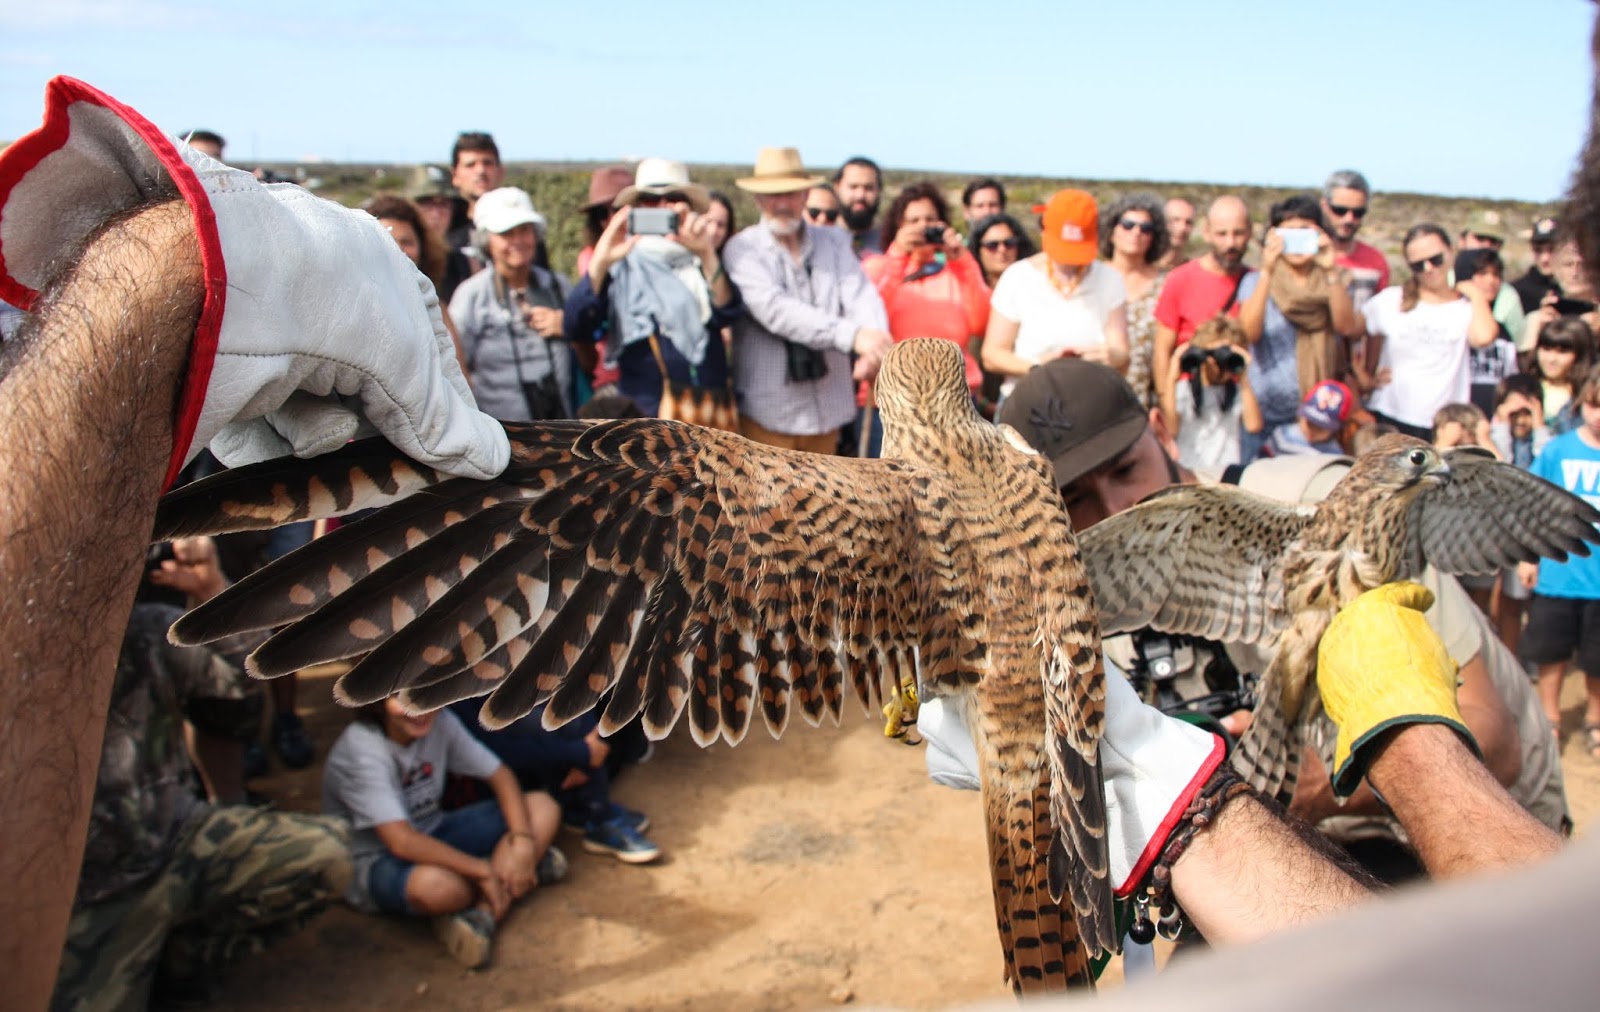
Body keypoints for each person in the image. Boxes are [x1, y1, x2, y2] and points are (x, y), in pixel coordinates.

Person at [0, 74, 1576, 1008]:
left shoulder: (970, 489)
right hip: (1095, 766)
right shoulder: (974, 472)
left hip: (1126, 771)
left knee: (628, 479)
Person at [992, 358, 1566, 863]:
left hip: (1481, 840)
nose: (1117, 505)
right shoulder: (1088, 594)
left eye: (1125, 470)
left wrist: (1321, 784)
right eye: (1075, 499)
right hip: (1298, 849)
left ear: (1164, 432)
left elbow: (1495, 740)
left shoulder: (1328, 500)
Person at [54, 539, 351, 1008]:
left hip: (177, 841)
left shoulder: (145, 633)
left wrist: (213, 593)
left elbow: (244, 695)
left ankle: (184, 956)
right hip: (90, 896)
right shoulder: (29, 674)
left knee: (327, 855)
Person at [322, 694, 565, 968]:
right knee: (439, 888)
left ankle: (483, 914)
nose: (418, 708)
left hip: (434, 830)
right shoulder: (361, 750)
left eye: (428, 693)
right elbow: (401, 841)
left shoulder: (441, 720)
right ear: (378, 701)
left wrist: (522, 842)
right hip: (376, 859)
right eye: (401, 699)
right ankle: (511, 872)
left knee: (542, 807)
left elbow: (501, 775)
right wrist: (481, 870)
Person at [720, 146, 892, 453]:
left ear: (805, 195)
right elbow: (776, 311)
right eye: (773, 195)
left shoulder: (834, 241)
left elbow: (860, 293)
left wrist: (875, 343)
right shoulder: (742, 249)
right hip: (770, 413)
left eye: (790, 193)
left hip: (828, 411)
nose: (782, 203)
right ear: (758, 199)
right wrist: (854, 337)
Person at [562, 159, 740, 419]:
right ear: (635, 208)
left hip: (707, 409)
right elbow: (576, 325)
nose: (662, 206)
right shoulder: (621, 268)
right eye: (650, 200)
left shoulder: (700, 263)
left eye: (673, 198)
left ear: (688, 207)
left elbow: (726, 311)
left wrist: (706, 253)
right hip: (646, 411)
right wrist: (601, 260)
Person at [858, 181, 990, 454]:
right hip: (893, 405)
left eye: (930, 220)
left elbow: (981, 323)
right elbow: (870, 318)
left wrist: (963, 261)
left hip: (956, 405)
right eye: (913, 221)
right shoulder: (878, 267)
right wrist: (897, 256)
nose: (922, 227)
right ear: (897, 226)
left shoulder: (957, 271)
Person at [447, 699, 661, 864]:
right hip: (478, 788)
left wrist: (586, 751)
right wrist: (580, 753)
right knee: (537, 726)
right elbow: (494, 749)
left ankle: (587, 811)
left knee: (569, 712)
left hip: (525, 765)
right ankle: (596, 815)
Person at [1238, 194, 1360, 460]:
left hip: (1316, 418)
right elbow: (1249, 333)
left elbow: (1345, 326)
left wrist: (1330, 270)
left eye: (1304, 232)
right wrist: (1267, 270)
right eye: (1288, 233)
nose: (1296, 242)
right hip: (1263, 412)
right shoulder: (1256, 281)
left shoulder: (1335, 279)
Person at [1518, 374, 1600, 758]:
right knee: (1551, 653)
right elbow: (1532, 506)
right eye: (1594, 405)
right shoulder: (1557, 451)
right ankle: (1549, 718)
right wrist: (1528, 556)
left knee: (1597, 660)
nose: (1598, 415)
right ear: (1581, 403)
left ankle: (1595, 719)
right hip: (1559, 572)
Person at [981, 188, 1129, 397]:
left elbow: (1121, 351)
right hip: (1029, 398)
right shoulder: (1018, 277)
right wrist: (1039, 367)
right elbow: (992, 355)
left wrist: (1109, 356)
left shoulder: (1110, 279)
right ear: (1044, 230)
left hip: (1089, 399)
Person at [448, 186, 577, 421]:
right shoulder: (471, 296)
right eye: (506, 233)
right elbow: (454, 367)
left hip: (562, 428)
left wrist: (567, 326)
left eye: (525, 230)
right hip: (499, 431)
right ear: (486, 241)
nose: (518, 241)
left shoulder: (558, 286)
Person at [1363, 224, 1499, 440]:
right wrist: (1364, 376)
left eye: (1436, 259)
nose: (1428, 268)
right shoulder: (1392, 299)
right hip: (1391, 415)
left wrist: (1475, 294)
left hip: (1444, 426)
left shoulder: (1465, 306)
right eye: (1418, 264)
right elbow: (1352, 330)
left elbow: (1483, 337)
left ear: (1451, 253)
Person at [1151, 196, 1251, 399]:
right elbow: (1162, 351)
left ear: (1249, 232)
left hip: (1241, 396)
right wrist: (1166, 401)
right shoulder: (1181, 279)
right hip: (1189, 395)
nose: (1230, 243)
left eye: (1238, 233)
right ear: (1207, 233)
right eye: (1222, 234)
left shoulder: (1255, 282)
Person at [1159, 314, 1260, 469]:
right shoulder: (1183, 390)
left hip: (1225, 471)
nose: (1219, 366)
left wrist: (1243, 377)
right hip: (1189, 469)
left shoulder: (1238, 391)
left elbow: (1253, 425)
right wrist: (1172, 378)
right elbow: (1170, 429)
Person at [1100, 191, 1171, 409]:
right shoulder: (1092, 278)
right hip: (1098, 391)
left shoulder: (1166, 283)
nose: (1136, 232)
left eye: (1146, 228)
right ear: (1111, 231)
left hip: (1147, 399)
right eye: (1128, 225)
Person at [1455, 248, 1521, 416]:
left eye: (1496, 275)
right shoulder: (1451, 323)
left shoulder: (1503, 331)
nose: (1491, 281)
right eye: (1482, 273)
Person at [1319, 169, 1390, 314]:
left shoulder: (1375, 261)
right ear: (1324, 206)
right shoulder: (1303, 255)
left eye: (1358, 212)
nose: (1349, 219)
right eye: (1340, 210)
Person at [1459, 209, 1529, 348]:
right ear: (1462, 240)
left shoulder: (1508, 295)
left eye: (1493, 241)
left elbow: (1518, 344)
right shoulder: (1443, 283)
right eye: (1480, 238)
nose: (1486, 246)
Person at [1522, 316, 1594, 433]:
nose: (1551, 359)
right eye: (1546, 349)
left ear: (1580, 355)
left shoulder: (1588, 396)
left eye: (1562, 352)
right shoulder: (1523, 388)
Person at [444, 131, 506, 262]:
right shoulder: (444, 225)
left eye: (487, 163)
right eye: (470, 165)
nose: (480, 171)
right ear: (455, 175)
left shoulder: (519, 225)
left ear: (500, 171)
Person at [1263, 378, 1354, 457]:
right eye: (1310, 424)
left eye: (1320, 428)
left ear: (1334, 429)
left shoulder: (1333, 453)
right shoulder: (1282, 436)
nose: (1312, 433)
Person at [966, 211, 1035, 290]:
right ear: (978, 250)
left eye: (1009, 243)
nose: (1002, 250)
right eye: (992, 245)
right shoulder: (966, 289)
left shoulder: (1034, 288)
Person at [833, 155, 884, 257]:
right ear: (837, 187)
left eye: (868, 188)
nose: (860, 195)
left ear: (879, 190)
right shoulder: (819, 239)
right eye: (853, 187)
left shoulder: (890, 240)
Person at [1513, 216, 1563, 315]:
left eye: (1551, 250)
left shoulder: (1575, 289)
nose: (1545, 258)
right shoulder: (1516, 292)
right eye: (1538, 250)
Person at [1158, 196, 1195, 270]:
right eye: (1175, 220)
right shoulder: (1140, 267)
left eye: (1188, 222)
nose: (1182, 228)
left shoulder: (1192, 271)